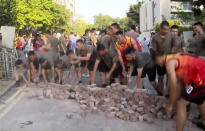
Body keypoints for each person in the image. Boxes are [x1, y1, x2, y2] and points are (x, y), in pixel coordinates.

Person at [154, 52, 205, 131]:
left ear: (160, 56)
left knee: (181, 103)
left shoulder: (169, 63)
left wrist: (170, 105)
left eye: (157, 62)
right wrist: (173, 100)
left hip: (201, 77)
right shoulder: (176, 57)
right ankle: (204, 122)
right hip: (201, 73)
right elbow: (180, 85)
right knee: (199, 100)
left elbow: (173, 86)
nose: (159, 64)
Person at [151, 21, 176, 94]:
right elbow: (154, 50)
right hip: (160, 60)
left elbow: (173, 45)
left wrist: (171, 54)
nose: (166, 31)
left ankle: (167, 92)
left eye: (167, 29)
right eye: (165, 29)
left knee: (169, 76)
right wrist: (159, 58)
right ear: (161, 28)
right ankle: (160, 93)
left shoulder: (171, 35)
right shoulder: (155, 37)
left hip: (169, 59)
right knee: (160, 77)